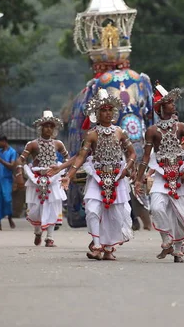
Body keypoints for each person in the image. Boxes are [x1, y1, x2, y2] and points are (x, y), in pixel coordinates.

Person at [134, 82, 184, 263]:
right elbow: (146, 157)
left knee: (180, 213)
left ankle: (178, 250)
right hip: (161, 173)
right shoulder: (151, 131)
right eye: (170, 103)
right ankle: (166, 238)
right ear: (161, 108)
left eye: (173, 102)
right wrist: (138, 179)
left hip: (181, 172)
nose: (174, 105)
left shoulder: (183, 127)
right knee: (157, 207)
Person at [63, 89, 136, 260]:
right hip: (97, 176)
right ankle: (96, 245)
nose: (107, 113)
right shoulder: (92, 134)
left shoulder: (120, 132)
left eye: (110, 109)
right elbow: (82, 156)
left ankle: (109, 248)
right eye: (103, 110)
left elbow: (132, 153)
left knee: (116, 213)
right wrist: (69, 174)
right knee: (92, 209)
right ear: (97, 113)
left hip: (117, 176)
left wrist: (128, 168)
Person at [14, 111, 71, 247]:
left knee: (52, 207)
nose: (49, 129)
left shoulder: (58, 144)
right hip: (36, 180)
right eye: (46, 126)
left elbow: (67, 159)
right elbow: (20, 160)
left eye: (51, 126)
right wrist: (19, 175)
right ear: (40, 128)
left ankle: (50, 238)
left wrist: (64, 173)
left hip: (53, 179)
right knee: (36, 209)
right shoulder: (32, 144)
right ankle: (38, 231)